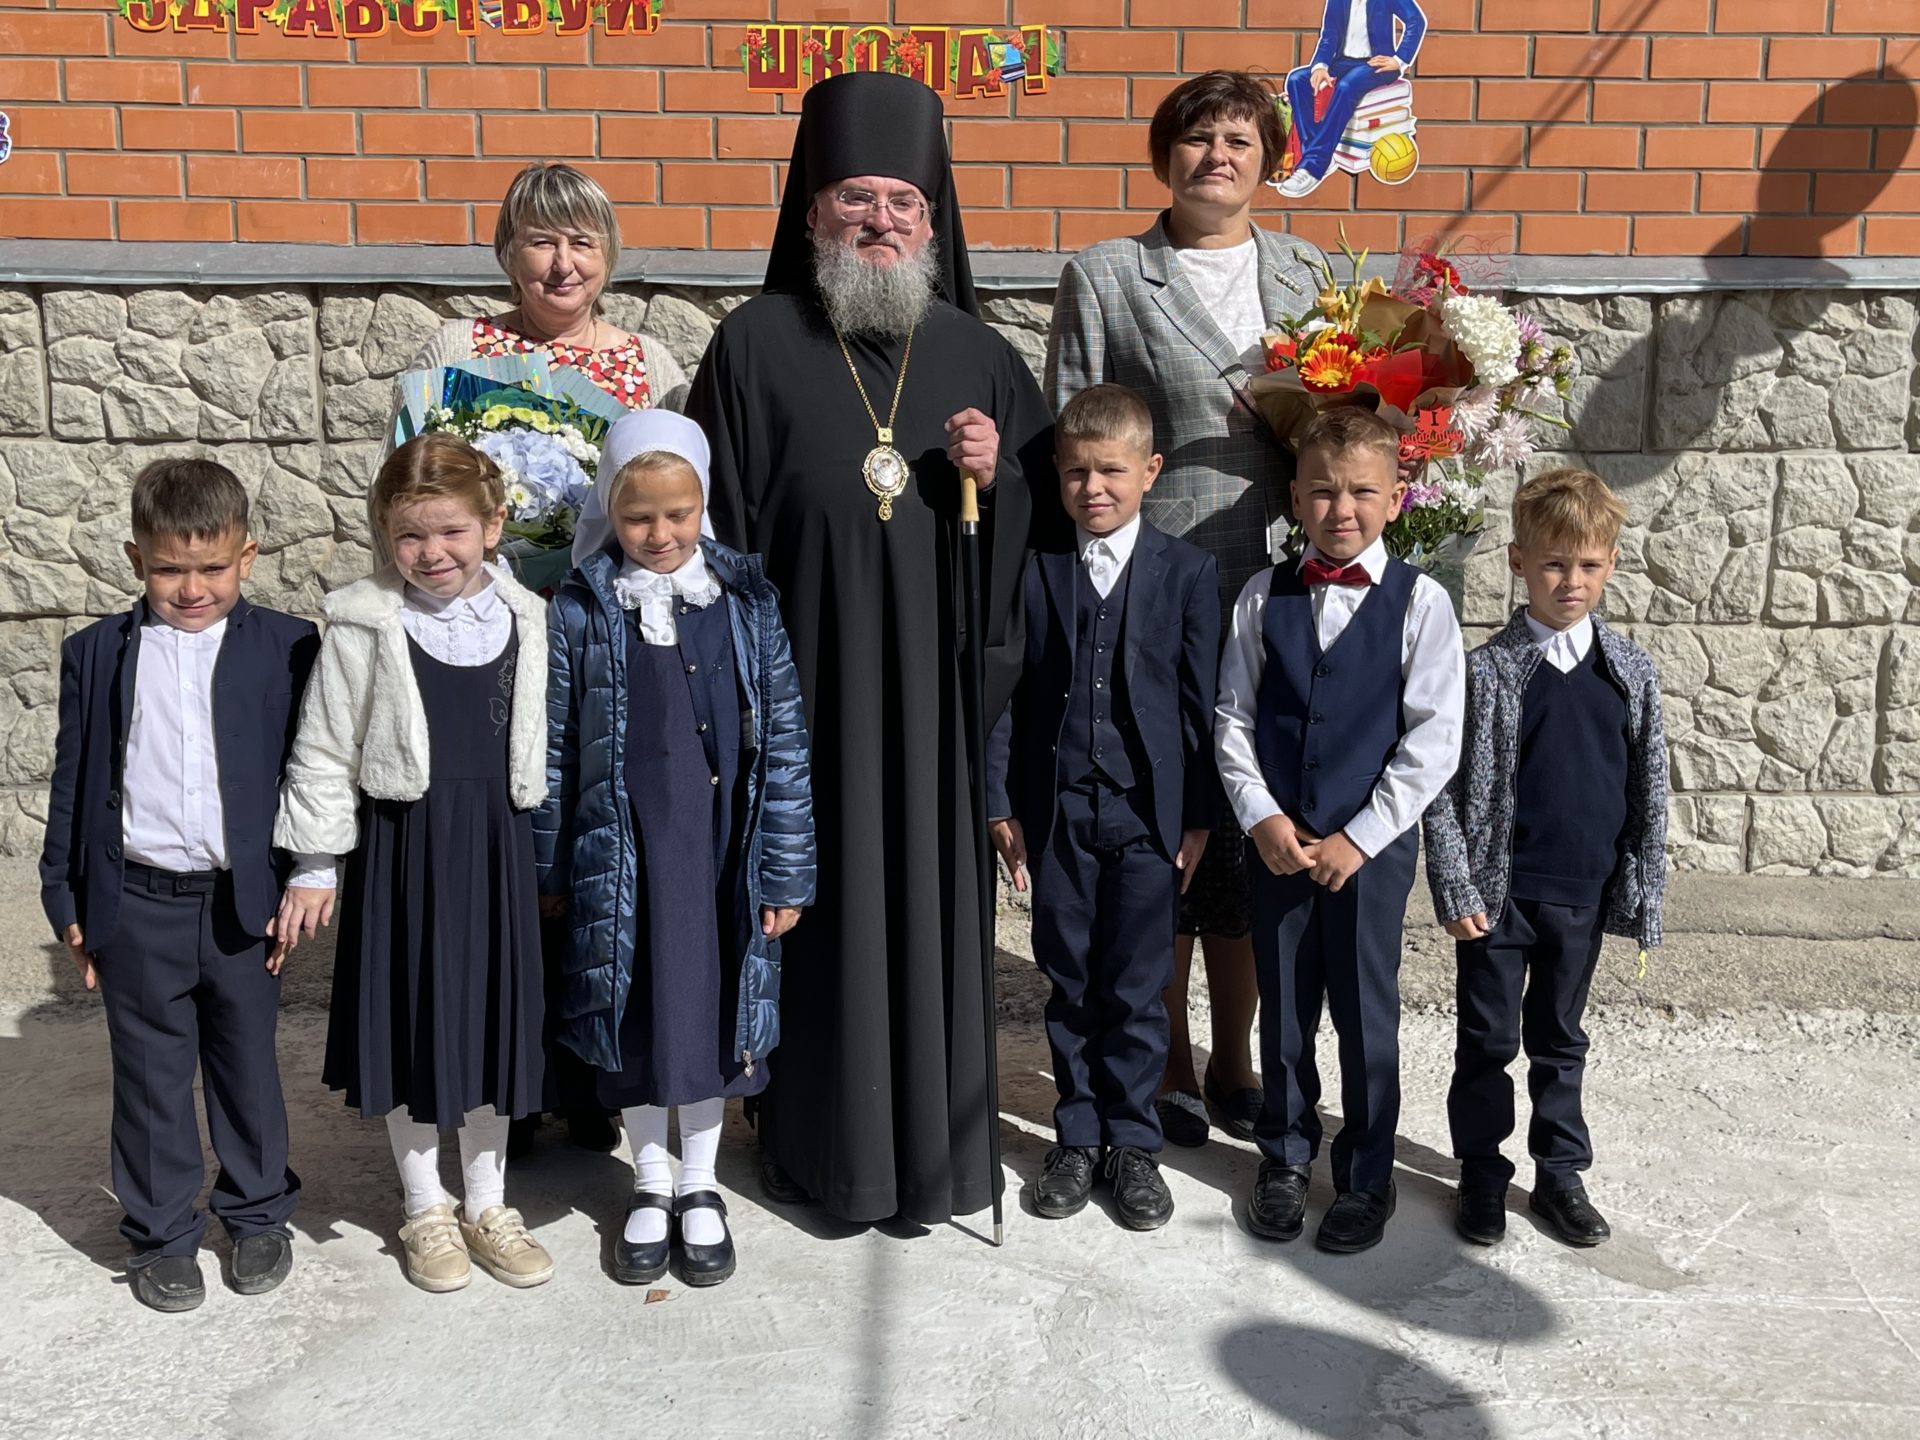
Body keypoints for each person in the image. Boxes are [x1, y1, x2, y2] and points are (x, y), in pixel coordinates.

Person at [685, 71, 1057, 1226]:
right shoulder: (751, 347)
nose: (880, 221)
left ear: (934, 222)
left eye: (904, 202)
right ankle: (817, 1152)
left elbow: (1051, 540)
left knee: (933, 927)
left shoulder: (980, 356)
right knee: (814, 921)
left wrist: (1001, 481)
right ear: (813, 213)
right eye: (857, 198)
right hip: (804, 707)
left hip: (938, 718)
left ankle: (935, 1163)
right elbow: (710, 537)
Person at [1046, 71, 1324, 1150]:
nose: (1218, 156)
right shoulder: (1110, 274)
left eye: (1241, 140)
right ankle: (1161, 1056)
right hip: (1155, 590)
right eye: (1199, 138)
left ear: (1269, 161)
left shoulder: (1310, 273)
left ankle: (1234, 1056)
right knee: (1163, 824)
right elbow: (1073, 425)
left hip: (1283, 583)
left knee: (1252, 828)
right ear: (1166, 156)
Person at [386, 159, 683, 1159]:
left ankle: (592, 1071)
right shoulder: (456, 351)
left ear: (610, 255)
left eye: (583, 242)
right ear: (508, 252)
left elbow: (670, 501)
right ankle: (506, 1076)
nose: (563, 263)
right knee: (506, 852)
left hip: (600, 642)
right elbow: (405, 491)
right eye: (542, 241)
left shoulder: (645, 363)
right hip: (477, 645)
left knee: (593, 844)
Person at [536, 410, 816, 1288]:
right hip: (622, 854)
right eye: (638, 517)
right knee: (633, 1013)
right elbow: (553, 748)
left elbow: (784, 744)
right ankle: (650, 1181)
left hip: (720, 848)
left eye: (678, 514)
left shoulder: (746, 604)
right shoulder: (581, 610)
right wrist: (552, 867)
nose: (660, 534)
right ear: (609, 514)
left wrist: (785, 869)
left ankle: (701, 1181)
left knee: (708, 1013)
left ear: (704, 507)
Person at [273, 434, 554, 1294]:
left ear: (492, 526)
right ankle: (427, 1206)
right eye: (410, 536)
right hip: (406, 846)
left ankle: (489, 1204)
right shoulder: (364, 623)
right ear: (384, 536)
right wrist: (314, 861)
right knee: (412, 1022)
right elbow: (324, 746)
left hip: (498, 845)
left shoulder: (527, 617)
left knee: (491, 1023)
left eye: (451, 532)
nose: (432, 553)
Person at [39, 459, 319, 1314]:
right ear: (136, 559)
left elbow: (311, 773)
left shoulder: (290, 645)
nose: (191, 588)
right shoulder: (95, 654)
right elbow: (73, 781)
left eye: (212, 567)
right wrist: (65, 898)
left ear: (247, 556)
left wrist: (306, 874)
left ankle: (257, 1212)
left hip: (243, 905)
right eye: (168, 569)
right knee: (151, 1076)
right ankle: (161, 1234)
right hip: (135, 904)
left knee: (246, 1065)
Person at [1214, 406, 1464, 1255]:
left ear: (1395, 498)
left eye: (1361, 492)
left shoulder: (1422, 603)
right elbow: (1233, 717)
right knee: (1284, 1010)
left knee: (1366, 1012)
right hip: (1279, 844)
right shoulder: (1262, 596)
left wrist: (1362, 836)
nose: (1341, 509)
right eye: (1322, 492)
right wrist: (1261, 816)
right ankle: (1284, 1156)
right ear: (1295, 498)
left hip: (1371, 854)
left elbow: (1434, 738)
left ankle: (1366, 1174)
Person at [986, 384, 1219, 1232]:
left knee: (1138, 985)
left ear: (1149, 471)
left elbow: (1201, 705)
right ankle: (1078, 1135)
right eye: (1077, 472)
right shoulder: (1037, 568)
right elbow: (1008, 695)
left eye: (1112, 471)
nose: (1094, 488)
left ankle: (1133, 1141)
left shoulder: (1187, 571)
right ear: (1057, 473)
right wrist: (999, 798)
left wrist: (1198, 815)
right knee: (1072, 978)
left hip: (1148, 817)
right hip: (1058, 815)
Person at [1423, 468, 1668, 1250]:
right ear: (1518, 561)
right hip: (1498, 899)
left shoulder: (1629, 673)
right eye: (1555, 564)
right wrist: (1456, 883)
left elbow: (1649, 787)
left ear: (1612, 564)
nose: (1571, 581)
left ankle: (1560, 1175)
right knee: (1488, 1042)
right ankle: (1481, 1174)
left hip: (1582, 894)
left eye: (1588, 564)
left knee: (1561, 1041)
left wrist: (1642, 886)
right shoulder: (1486, 672)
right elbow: (1441, 788)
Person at [1275, 0, 1428, 198]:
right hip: (1343, 62)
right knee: (1297, 80)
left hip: (1376, 64)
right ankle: (1318, 154)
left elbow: (1416, 21)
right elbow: (1329, 35)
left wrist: (1399, 60)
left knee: (1346, 87)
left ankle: (1313, 167)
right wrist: (1320, 66)